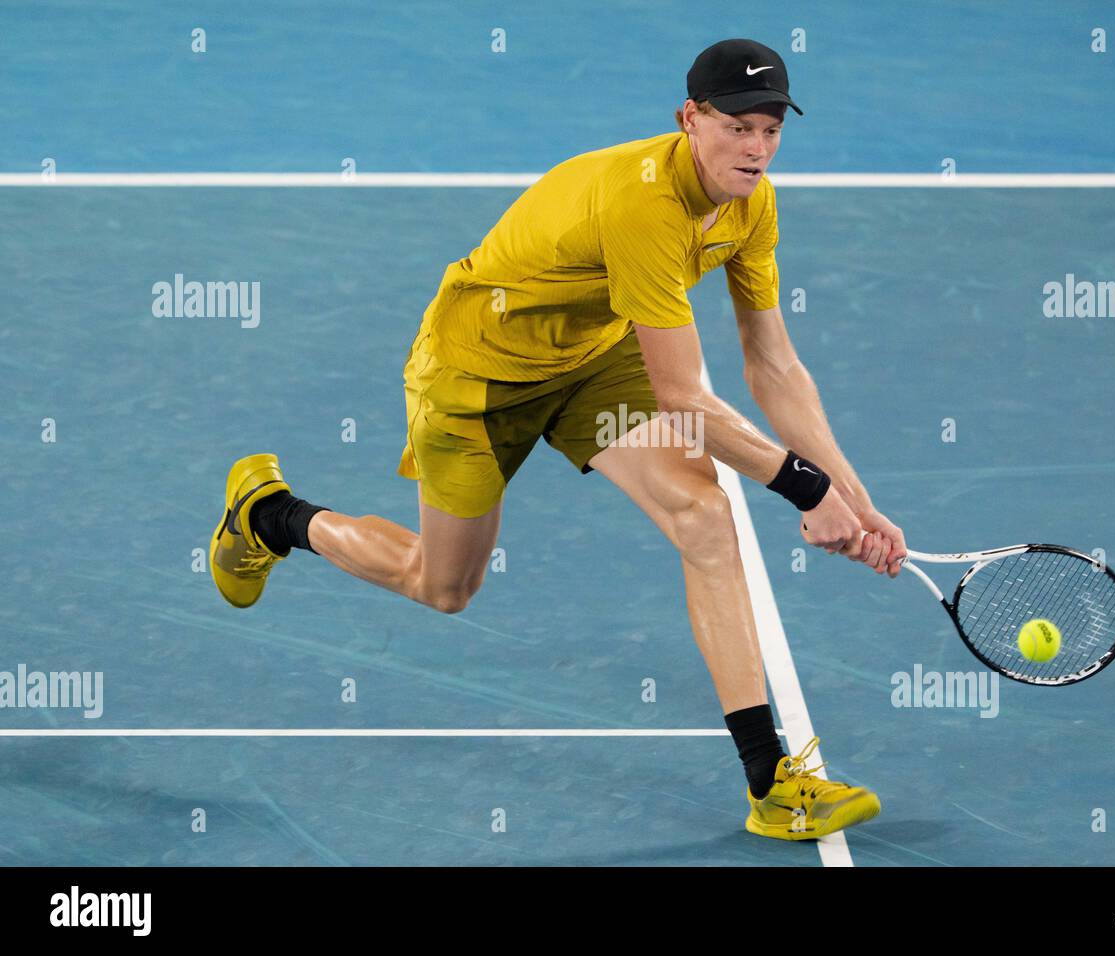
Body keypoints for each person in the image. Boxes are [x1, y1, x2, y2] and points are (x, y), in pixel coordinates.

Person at [209, 37, 907, 842]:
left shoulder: (754, 205)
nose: (756, 149)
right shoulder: (643, 204)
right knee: (442, 587)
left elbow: (774, 366)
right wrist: (808, 491)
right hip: (476, 376)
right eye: (737, 127)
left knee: (703, 516)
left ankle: (772, 784)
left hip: (588, 363)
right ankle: (271, 516)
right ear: (690, 118)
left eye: (771, 130)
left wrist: (856, 498)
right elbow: (683, 394)